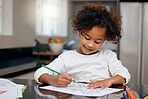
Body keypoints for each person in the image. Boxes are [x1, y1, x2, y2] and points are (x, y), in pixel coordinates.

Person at [34, 3, 131, 89]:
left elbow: (124, 75)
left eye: (97, 42)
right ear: (80, 32)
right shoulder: (66, 57)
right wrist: (53, 79)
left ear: (104, 40)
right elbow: (39, 73)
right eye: (87, 38)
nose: (90, 45)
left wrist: (108, 81)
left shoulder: (108, 55)